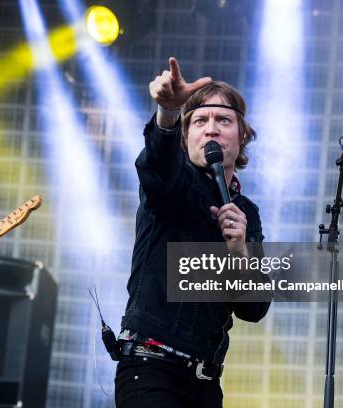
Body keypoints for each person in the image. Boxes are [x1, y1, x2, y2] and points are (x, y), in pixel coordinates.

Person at [114, 57, 271, 407]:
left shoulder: (247, 215)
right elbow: (156, 166)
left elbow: (254, 309)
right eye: (199, 120)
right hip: (151, 369)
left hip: (205, 382)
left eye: (223, 120)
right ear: (186, 136)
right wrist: (168, 114)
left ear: (241, 134)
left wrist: (241, 252)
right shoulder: (174, 183)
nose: (211, 128)